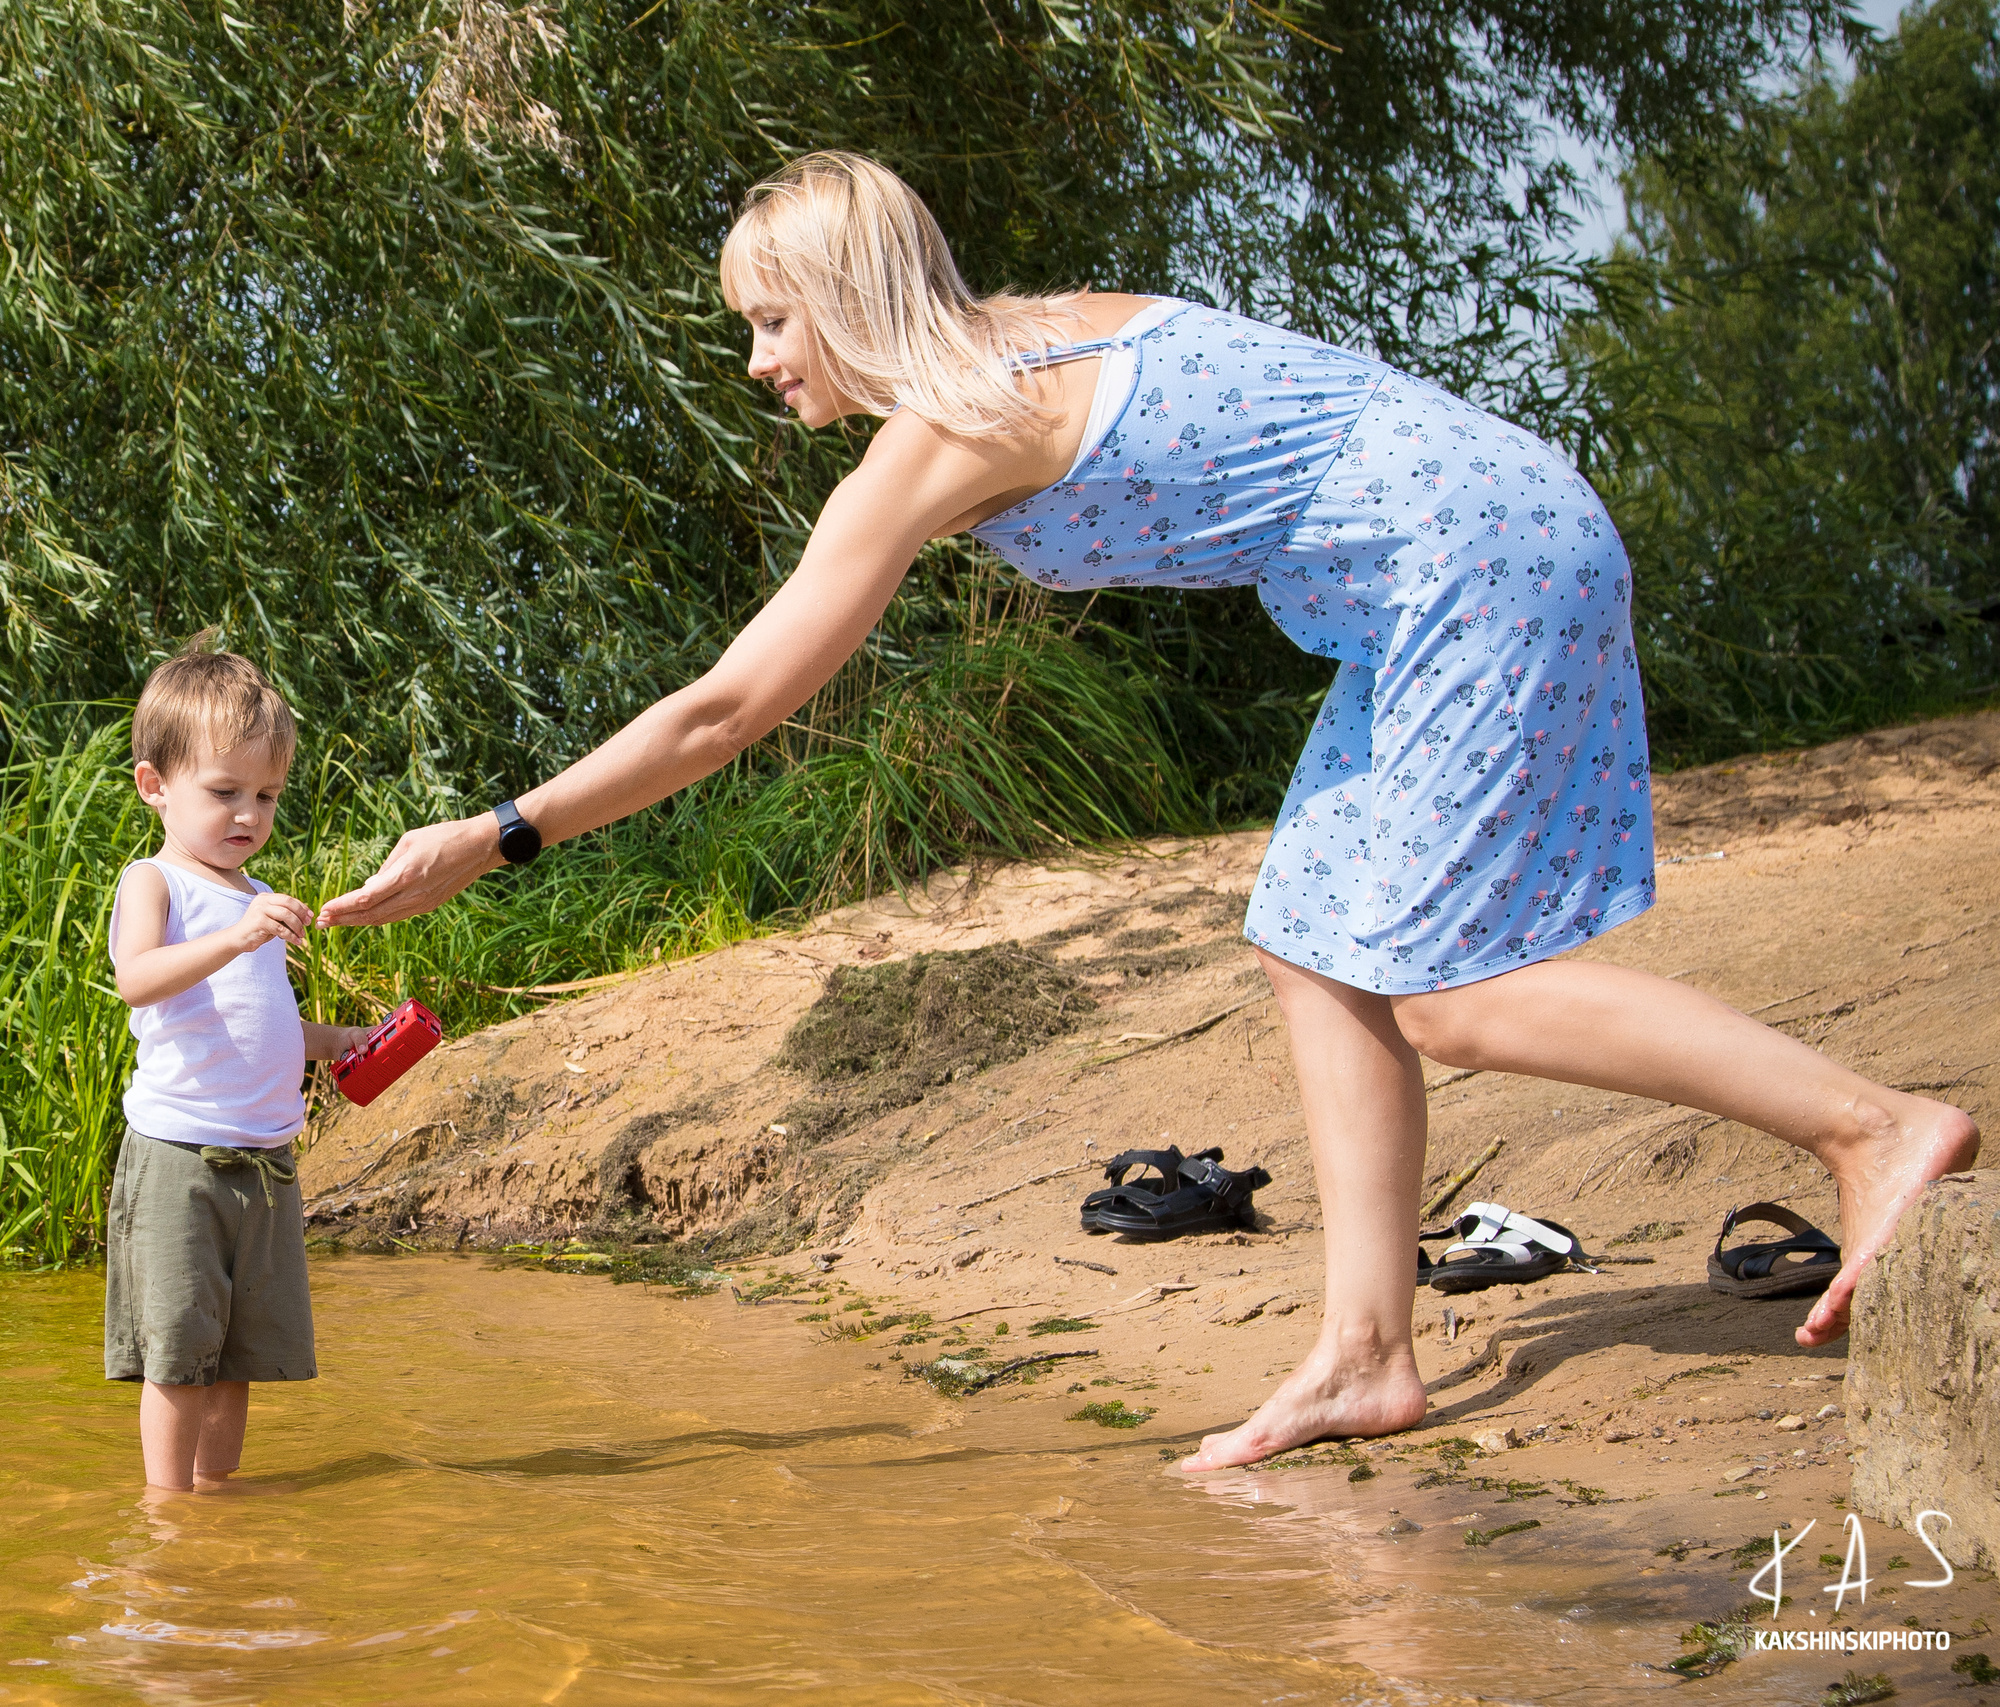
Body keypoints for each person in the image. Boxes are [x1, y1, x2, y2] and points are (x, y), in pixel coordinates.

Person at [314, 152, 1978, 1468]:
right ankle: (1367, 1349)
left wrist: (497, 833)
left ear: (846, 298)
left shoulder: (938, 436)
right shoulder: (1043, 327)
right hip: (1459, 556)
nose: (759, 364)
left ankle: (1870, 1125)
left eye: (771, 323)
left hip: (1473, 566)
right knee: (1312, 942)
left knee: (1451, 994)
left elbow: (730, 706)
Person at [105, 640, 370, 1490]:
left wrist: (337, 1042)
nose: (248, 813)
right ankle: (166, 1508)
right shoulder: (156, 883)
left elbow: (264, 1021)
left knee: (239, 1357)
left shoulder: (255, 899)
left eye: (266, 795)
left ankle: (221, 1500)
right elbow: (137, 981)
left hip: (265, 1163)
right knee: (179, 1353)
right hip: (180, 1157)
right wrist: (234, 935)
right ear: (157, 786)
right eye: (224, 792)